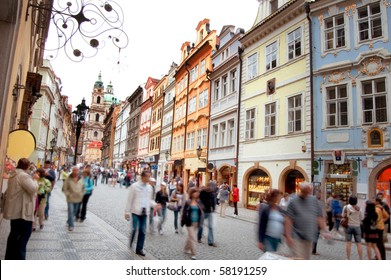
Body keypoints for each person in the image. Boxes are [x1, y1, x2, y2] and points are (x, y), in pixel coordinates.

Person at [4, 158, 39, 260]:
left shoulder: (14, 174)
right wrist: (35, 179)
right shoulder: (23, 176)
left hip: (15, 211)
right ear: (27, 166)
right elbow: (33, 189)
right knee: (22, 238)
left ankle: (9, 258)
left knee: (14, 237)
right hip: (22, 213)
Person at [285, 182, 331, 260]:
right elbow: (288, 219)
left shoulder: (314, 200)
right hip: (296, 237)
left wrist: (325, 231)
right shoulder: (293, 202)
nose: (307, 193)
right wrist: (288, 236)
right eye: (305, 191)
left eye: (309, 191)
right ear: (301, 190)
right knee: (298, 259)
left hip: (309, 237)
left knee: (306, 258)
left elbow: (319, 217)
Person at [125, 170, 156, 256]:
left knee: (142, 230)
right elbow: (130, 199)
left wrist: (155, 205)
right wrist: (127, 212)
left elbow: (150, 200)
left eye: (149, 176)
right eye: (147, 176)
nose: (149, 178)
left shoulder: (149, 188)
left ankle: (139, 249)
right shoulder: (134, 186)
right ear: (143, 177)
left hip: (145, 211)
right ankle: (131, 240)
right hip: (135, 211)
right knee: (135, 228)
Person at [181, 188, 204, 260]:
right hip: (189, 222)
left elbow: (202, 210)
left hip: (196, 222)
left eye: (197, 192)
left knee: (190, 237)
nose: (197, 194)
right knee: (193, 238)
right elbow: (184, 212)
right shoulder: (188, 202)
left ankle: (186, 248)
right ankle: (194, 253)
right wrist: (183, 220)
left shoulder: (198, 202)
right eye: (195, 192)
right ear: (192, 193)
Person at [63, 166, 84, 231]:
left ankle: (69, 220)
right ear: (72, 171)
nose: (75, 172)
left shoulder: (80, 179)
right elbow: (64, 188)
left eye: (76, 170)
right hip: (70, 198)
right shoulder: (68, 179)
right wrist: (68, 194)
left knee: (74, 212)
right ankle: (71, 225)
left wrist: (82, 194)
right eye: (74, 170)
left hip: (78, 198)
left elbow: (83, 188)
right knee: (71, 211)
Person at [342, 195, 363, 260]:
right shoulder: (359, 209)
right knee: (359, 244)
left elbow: (343, 215)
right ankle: (360, 259)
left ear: (349, 201)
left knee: (348, 243)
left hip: (348, 226)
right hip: (357, 226)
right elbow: (362, 218)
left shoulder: (345, 207)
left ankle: (348, 258)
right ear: (356, 201)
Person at [312, 192, 326, 256]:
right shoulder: (319, 204)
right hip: (316, 223)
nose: (320, 196)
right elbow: (320, 215)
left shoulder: (311, 203)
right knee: (315, 236)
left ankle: (312, 249)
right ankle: (313, 250)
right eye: (319, 195)